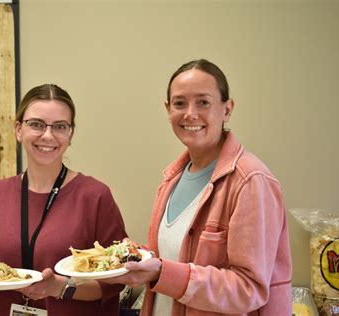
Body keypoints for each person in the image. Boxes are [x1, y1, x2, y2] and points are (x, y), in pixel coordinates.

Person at [104, 59, 292, 315]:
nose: (190, 114)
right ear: (168, 109)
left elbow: (248, 290)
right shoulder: (172, 178)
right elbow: (176, 260)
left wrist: (161, 271)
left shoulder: (251, 180)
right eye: (180, 103)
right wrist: (138, 257)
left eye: (203, 102)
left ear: (227, 109)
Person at [0, 84, 127, 316]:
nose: (48, 135)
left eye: (60, 126)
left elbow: (114, 281)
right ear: (19, 129)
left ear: (70, 134)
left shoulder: (94, 196)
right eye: (36, 124)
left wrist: (61, 288)